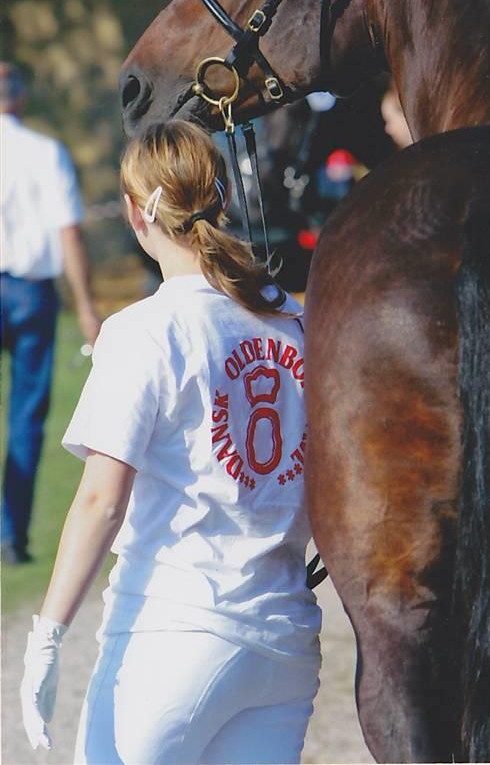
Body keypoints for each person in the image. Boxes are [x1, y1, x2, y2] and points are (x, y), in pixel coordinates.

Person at [20, 120, 321, 765]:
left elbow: (102, 500)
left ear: (136, 211)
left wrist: (46, 638)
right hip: (285, 642)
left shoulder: (144, 330)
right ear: (223, 201)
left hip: (174, 631)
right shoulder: (293, 320)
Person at [1, 62, 101, 564]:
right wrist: (86, 305)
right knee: (26, 416)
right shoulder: (45, 152)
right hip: (31, 291)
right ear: (17, 98)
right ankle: (11, 535)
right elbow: (69, 233)